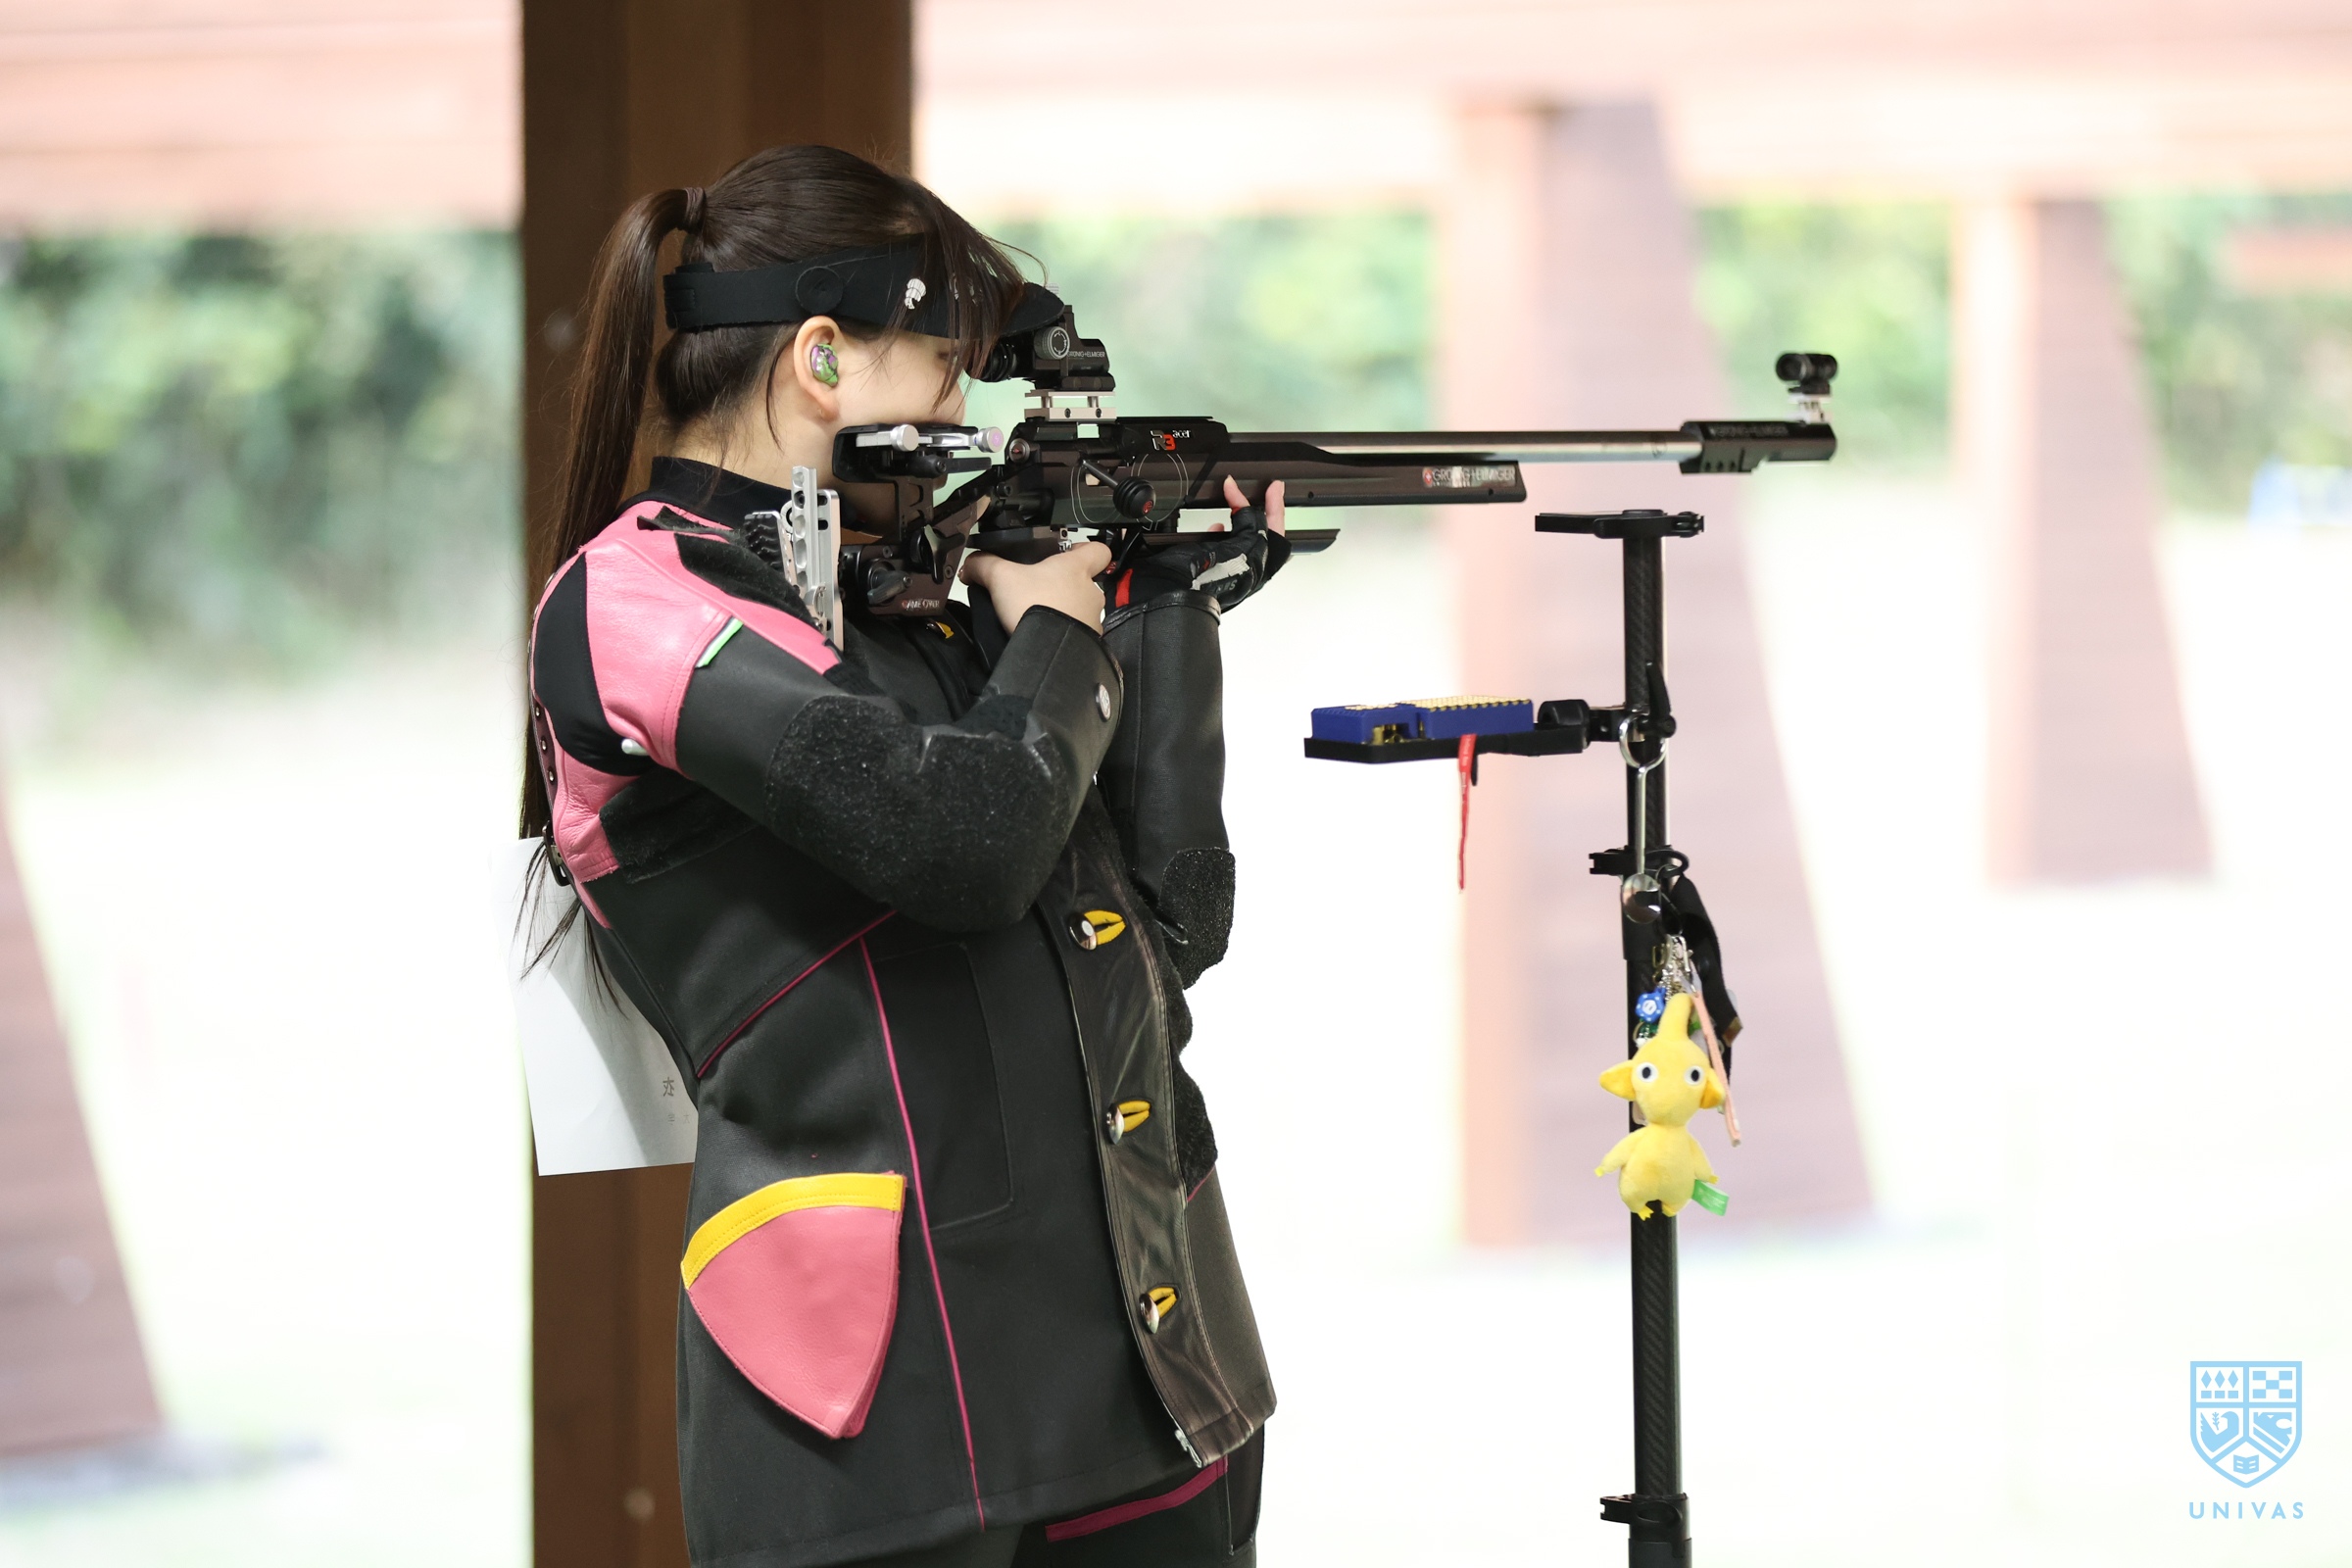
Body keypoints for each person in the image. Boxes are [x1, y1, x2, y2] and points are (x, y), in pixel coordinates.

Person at [522, 144, 1288, 1568]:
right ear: (824, 359)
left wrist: (1161, 608)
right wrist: (1054, 634)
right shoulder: (634, 603)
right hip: (875, 1420)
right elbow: (966, 844)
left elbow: (1174, 927)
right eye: (945, 371)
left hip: (1150, 1368)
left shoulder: (932, 600)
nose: (962, 418)